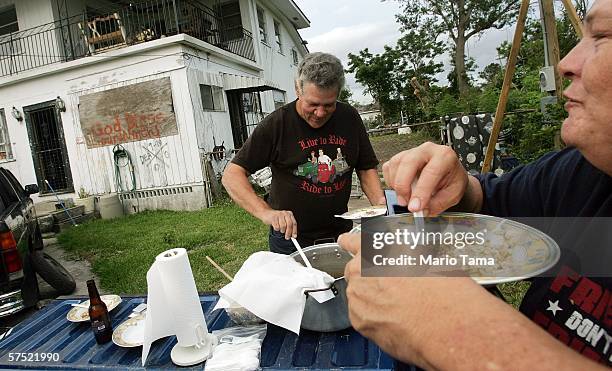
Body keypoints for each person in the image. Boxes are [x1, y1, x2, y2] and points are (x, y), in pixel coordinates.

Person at [338, 0, 612, 368]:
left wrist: (454, 331)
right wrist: (461, 188)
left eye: (602, 36)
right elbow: (494, 205)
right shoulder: (588, 172)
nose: (565, 64)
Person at [223, 52, 385, 254]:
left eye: (329, 105)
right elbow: (232, 175)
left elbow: (365, 167)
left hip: (341, 232)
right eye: (313, 104)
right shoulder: (277, 124)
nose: (320, 113)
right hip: (291, 237)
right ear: (297, 89)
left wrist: (380, 207)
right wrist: (267, 213)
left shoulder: (349, 117)